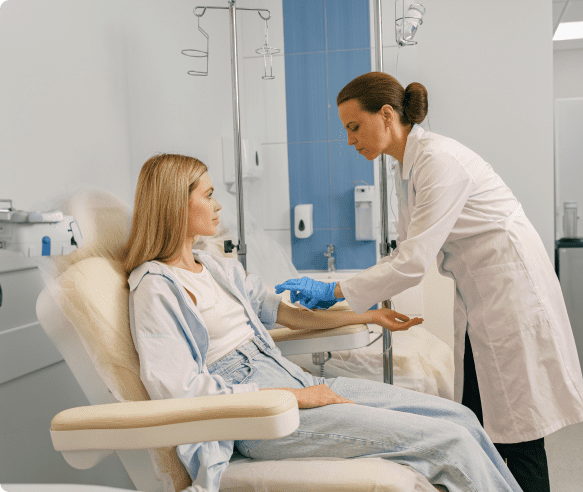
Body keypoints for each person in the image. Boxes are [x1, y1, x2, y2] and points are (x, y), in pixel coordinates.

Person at [124, 153, 523, 492]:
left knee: (460, 418)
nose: (217, 206)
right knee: (447, 442)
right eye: (208, 195)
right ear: (177, 204)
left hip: (290, 380)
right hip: (258, 413)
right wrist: (292, 398)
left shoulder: (212, 266)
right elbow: (179, 390)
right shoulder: (154, 288)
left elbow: (287, 314)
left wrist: (368, 315)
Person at [276, 72, 583, 492]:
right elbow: (404, 250)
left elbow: (412, 262)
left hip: (512, 293)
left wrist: (332, 291)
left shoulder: (439, 162)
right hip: (483, 297)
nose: (350, 140)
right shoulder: (408, 167)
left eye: (354, 126)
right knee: (480, 421)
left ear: (386, 115)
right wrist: (368, 305)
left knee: (519, 433)